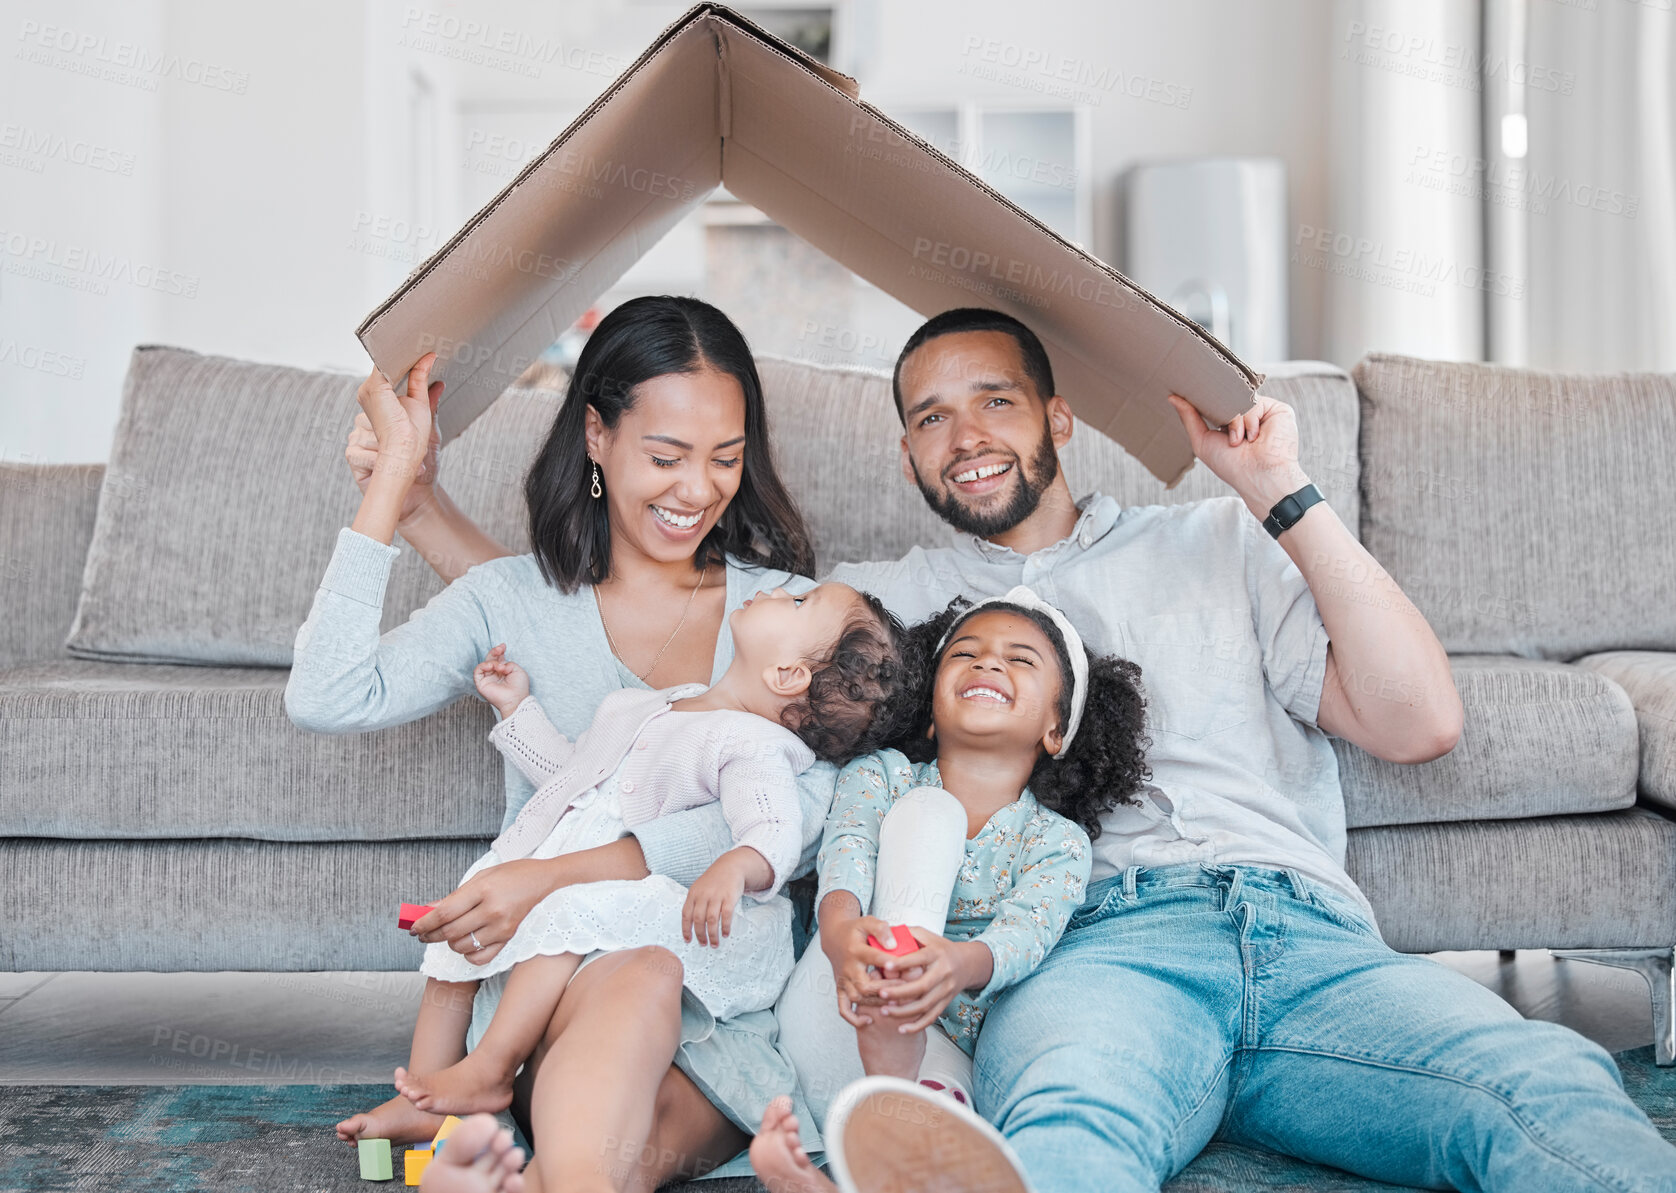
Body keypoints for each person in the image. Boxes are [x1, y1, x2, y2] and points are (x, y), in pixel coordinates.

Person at [372, 304, 1676, 1191]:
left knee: (1543, 1084)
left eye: (995, 399)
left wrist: (1281, 492)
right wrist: (421, 508)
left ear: (1059, 417)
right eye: (931, 416)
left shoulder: (1216, 541)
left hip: (1308, 942)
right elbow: (629, 631)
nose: (967, 432)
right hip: (1089, 947)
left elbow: (1420, 723)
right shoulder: (888, 601)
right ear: (906, 452)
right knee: (1060, 1144)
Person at [289, 295, 848, 1191]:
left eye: (726, 458)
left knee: (623, 1132)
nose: (697, 490)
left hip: (723, 1008)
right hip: (549, 998)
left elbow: (810, 813)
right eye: (665, 456)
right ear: (597, 435)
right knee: (636, 979)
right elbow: (327, 694)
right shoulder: (510, 597)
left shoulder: (785, 613)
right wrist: (394, 487)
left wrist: (547, 875)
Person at [390, 581, 903, 1119]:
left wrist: (737, 865)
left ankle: (492, 1068)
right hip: (581, 878)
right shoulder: (659, 702)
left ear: (788, 675)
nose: (778, 589)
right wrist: (516, 710)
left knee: (570, 906)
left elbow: (773, 828)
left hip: (665, 908)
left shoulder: (752, 743)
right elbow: (575, 783)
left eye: (800, 603)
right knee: (461, 916)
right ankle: (418, 1093)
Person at [759, 587, 1147, 1149]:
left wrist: (956, 965)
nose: (988, 660)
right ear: (932, 716)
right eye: (965, 653)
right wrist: (842, 934)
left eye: (1019, 659)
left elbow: (1026, 935)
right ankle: (890, 1047)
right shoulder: (884, 776)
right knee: (931, 812)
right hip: (838, 997)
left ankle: (862, 1158)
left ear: (1056, 730)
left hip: (944, 1049)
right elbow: (846, 854)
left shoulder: (1057, 842)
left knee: (944, 1111)